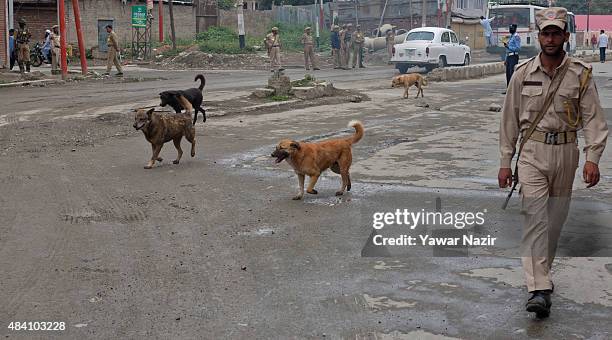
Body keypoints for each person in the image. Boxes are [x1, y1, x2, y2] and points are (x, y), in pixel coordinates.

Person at [498, 7, 608, 319]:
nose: (549, 38)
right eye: (545, 33)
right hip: (532, 153)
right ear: (538, 35)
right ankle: (539, 288)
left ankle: (542, 274)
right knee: (535, 218)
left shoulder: (581, 74)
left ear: (565, 36)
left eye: (555, 33)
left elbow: (593, 119)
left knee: (555, 222)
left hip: (566, 153)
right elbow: (508, 121)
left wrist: (592, 158)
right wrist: (506, 162)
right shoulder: (522, 74)